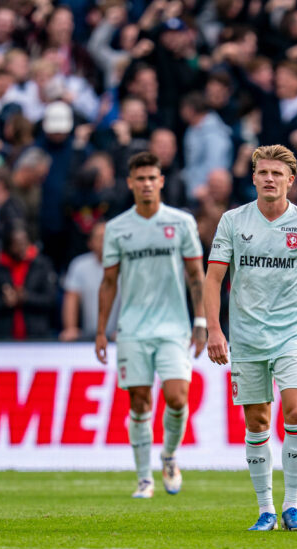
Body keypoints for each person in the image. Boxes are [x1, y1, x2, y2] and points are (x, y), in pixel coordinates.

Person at [203, 144, 297, 532]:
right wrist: (214, 329)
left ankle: (292, 506)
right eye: (263, 173)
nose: (269, 179)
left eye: (277, 174)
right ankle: (265, 509)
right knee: (258, 420)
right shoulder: (233, 221)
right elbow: (213, 277)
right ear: (253, 177)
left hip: (294, 335)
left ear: (290, 180)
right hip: (246, 337)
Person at [95, 152, 207, 499]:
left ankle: (170, 456)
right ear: (130, 183)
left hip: (174, 327)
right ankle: (144, 479)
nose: (146, 184)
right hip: (132, 329)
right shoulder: (117, 228)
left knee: (176, 397)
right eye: (139, 178)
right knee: (139, 404)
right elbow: (109, 281)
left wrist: (201, 320)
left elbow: (196, 276)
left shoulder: (181, 222)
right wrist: (101, 329)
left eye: (151, 178)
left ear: (161, 181)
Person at [60, 221, 116, 341]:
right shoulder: (79, 265)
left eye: (107, 237)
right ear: (90, 243)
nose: (104, 242)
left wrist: (126, 330)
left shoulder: (125, 265)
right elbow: (71, 298)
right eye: (100, 238)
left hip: (118, 336)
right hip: (88, 336)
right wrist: (70, 328)